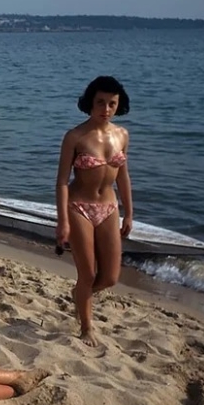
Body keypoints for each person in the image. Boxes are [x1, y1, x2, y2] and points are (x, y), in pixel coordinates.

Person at [55, 76, 133, 347]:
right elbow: (62, 181)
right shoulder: (75, 136)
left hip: (110, 207)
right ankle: (86, 327)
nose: (106, 109)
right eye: (101, 102)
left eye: (112, 103)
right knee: (87, 274)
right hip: (79, 207)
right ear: (90, 102)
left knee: (110, 277)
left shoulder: (122, 135)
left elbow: (123, 176)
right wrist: (63, 221)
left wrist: (130, 213)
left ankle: (80, 294)